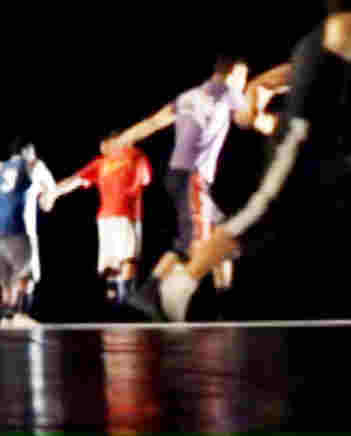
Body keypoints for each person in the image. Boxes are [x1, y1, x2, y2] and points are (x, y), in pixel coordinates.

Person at [141, 0, 351, 323]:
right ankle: (178, 285)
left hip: (324, 149)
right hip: (301, 144)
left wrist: (255, 117)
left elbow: (262, 84)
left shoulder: (317, 46)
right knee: (256, 216)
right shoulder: (350, 23)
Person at [109, 55, 289, 295]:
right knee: (192, 245)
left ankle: (224, 296)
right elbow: (249, 117)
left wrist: (122, 140)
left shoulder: (188, 97)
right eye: (243, 78)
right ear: (234, 74)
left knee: (222, 235)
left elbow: (153, 123)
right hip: (192, 179)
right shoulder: (227, 93)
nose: (243, 83)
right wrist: (272, 102)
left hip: (178, 175)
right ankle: (149, 294)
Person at [0, 138, 58, 327]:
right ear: (28, 152)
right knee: (27, 275)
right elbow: (49, 199)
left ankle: (7, 317)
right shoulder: (35, 165)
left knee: (7, 278)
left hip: (0, 231)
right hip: (21, 229)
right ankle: (21, 314)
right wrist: (46, 198)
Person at [56, 133, 152, 305]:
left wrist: (53, 193)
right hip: (123, 216)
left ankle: (116, 301)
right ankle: (126, 301)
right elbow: (145, 179)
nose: (102, 148)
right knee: (126, 259)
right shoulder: (119, 159)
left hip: (112, 217)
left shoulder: (115, 160)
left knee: (114, 263)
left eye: (104, 144)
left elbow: (75, 180)